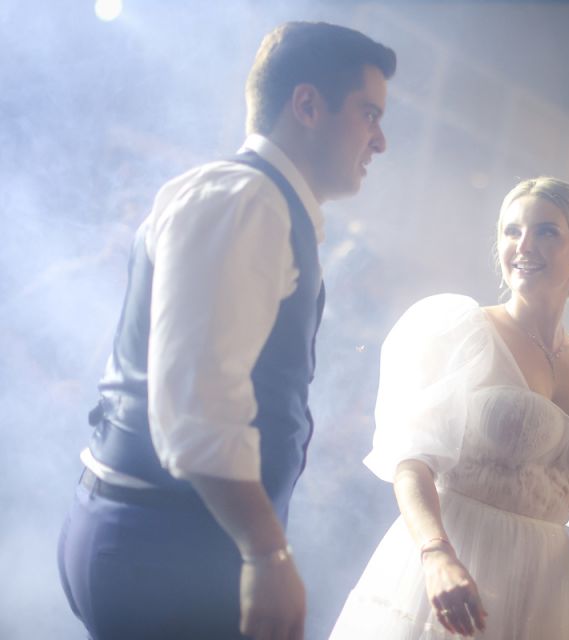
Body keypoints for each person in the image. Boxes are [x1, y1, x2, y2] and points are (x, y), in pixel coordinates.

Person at [57, 21, 395, 640]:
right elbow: (198, 408)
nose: (381, 140)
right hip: (164, 546)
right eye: (369, 114)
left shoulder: (259, 202)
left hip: (164, 535)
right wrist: (268, 554)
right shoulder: (247, 201)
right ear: (307, 105)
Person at [329, 177, 569, 638]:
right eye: (511, 231)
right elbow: (412, 462)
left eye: (546, 232)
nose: (524, 245)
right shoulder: (462, 332)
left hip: (543, 588)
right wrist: (436, 554)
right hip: (453, 564)